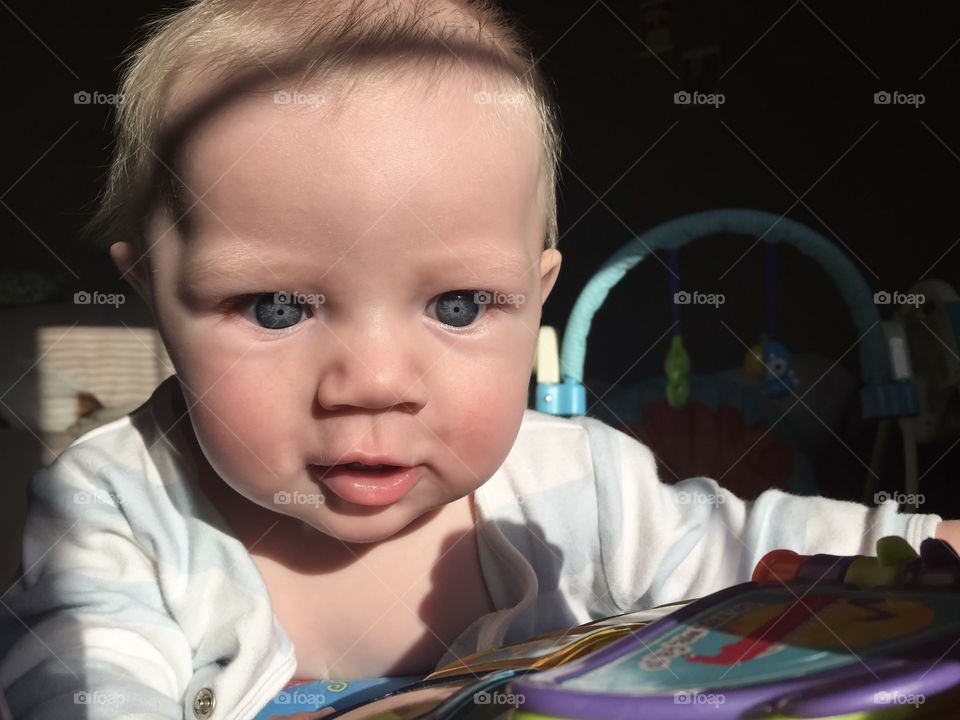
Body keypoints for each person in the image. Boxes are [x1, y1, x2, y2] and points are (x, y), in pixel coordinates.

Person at [1, 1, 956, 718]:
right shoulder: (118, 511)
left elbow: (771, 554)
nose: (376, 383)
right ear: (153, 295)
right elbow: (84, 681)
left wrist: (929, 544)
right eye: (276, 307)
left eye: (457, 306)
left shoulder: (576, 486)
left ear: (537, 295)